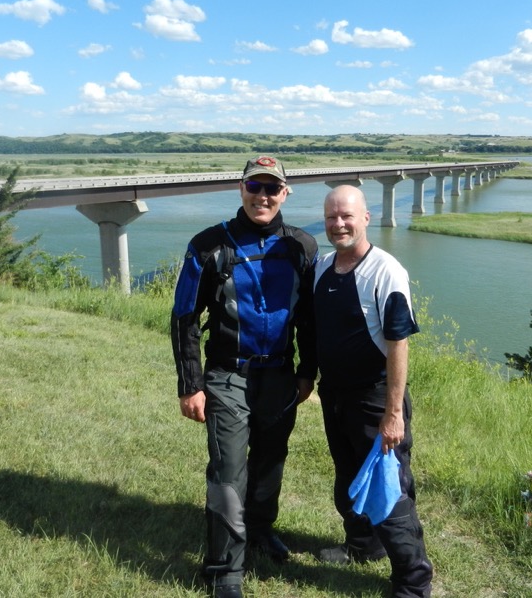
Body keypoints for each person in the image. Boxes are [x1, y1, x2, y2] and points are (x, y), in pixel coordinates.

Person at [170, 156, 318, 598]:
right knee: (228, 470)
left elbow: (309, 318)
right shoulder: (210, 244)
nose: (263, 196)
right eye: (255, 186)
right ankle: (223, 571)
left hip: (280, 376)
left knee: (271, 462)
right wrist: (190, 384)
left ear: (286, 193)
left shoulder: (303, 247)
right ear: (241, 188)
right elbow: (184, 318)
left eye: (273, 188)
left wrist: (307, 372)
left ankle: (259, 529)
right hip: (226, 376)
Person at [313, 184, 433, 598]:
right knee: (348, 479)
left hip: (376, 399)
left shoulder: (386, 271)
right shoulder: (322, 267)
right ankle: (363, 546)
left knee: (388, 491)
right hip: (336, 398)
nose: (338, 224)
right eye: (331, 217)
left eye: (347, 215)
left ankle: (413, 581)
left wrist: (393, 413)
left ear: (366, 218)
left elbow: (399, 343)